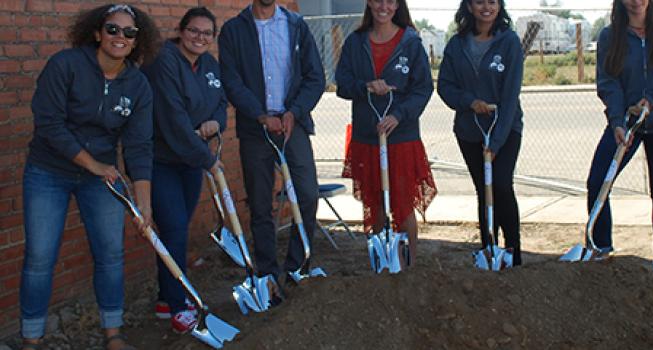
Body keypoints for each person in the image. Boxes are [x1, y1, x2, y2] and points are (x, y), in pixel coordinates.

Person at [20, 4, 159, 350]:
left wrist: (144, 206)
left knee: (111, 253)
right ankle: (32, 339)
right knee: (40, 257)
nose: (120, 37)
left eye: (129, 33)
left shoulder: (138, 85)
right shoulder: (65, 66)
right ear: (97, 32)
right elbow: (49, 124)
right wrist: (94, 165)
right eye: (113, 29)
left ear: (137, 40)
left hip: (101, 177)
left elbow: (140, 146)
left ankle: (113, 334)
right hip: (49, 170)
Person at [217, 0, 325, 298]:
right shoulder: (233, 30)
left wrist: (295, 111)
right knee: (261, 203)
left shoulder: (297, 26)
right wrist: (260, 114)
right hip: (256, 128)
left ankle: (297, 265)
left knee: (307, 194)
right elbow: (231, 80)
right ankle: (267, 273)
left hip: (294, 125)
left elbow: (315, 77)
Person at [587, 0, 653, 277]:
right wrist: (618, 122)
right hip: (626, 123)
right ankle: (601, 248)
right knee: (598, 182)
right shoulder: (611, 36)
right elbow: (608, 82)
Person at [141, 7, 227, 333]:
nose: (199, 38)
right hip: (161, 160)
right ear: (181, 30)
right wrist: (207, 159)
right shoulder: (163, 62)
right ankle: (179, 308)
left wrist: (214, 124)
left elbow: (221, 102)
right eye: (194, 31)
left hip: (190, 161)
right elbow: (173, 120)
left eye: (207, 33)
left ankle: (167, 298)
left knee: (177, 230)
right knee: (175, 228)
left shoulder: (208, 65)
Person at [335, 0, 436, 266]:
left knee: (402, 203)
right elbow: (342, 84)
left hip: (401, 137)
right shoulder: (355, 42)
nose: (384, 7)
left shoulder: (411, 42)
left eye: (390, 1)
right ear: (369, 3)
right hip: (367, 136)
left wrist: (398, 116)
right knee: (375, 203)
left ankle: (408, 265)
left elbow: (423, 88)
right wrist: (365, 86)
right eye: (378, 0)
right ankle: (382, 264)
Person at [437, 0, 524, 266]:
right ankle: (488, 248)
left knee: (500, 184)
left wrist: (496, 142)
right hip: (469, 130)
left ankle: (512, 251)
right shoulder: (456, 44)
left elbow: (510, 96)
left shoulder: (509, 42)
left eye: (492, 2)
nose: (486, 7)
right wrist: (469, 101)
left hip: (505, 128)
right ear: (469, 7)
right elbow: (445, 86)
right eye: (479, 2)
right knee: (482, 188)